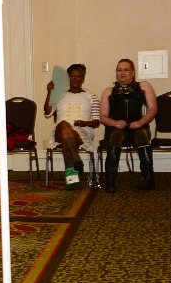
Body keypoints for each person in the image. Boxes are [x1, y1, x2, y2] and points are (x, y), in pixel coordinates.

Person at [99, 59, 158, 192]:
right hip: (116, 128)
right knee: (115, 135)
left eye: (126, 70)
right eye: (119, 70)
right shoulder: (108, 92)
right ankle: (110, 181)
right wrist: (115, 123)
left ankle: (148, 179)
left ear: (133, 73)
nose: (122, 73)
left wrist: (141, 122)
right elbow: (103, 116)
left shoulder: (144, 87)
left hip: (139, 126)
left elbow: (153, 109)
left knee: (142, 134)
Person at [43, 63, 100, 191]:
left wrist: (83, 123)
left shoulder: (91, 96)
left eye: (79, 76)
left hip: (82, 130)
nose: (75, 79)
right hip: (60, 130)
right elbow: (47, 112)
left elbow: (96, 122)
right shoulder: (59, 94)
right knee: (64, 124)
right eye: (72, 76)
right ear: (67, 78)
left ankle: (72, 180)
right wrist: (50, 92)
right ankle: (76, 159)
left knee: (67, 142)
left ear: (83, 79)